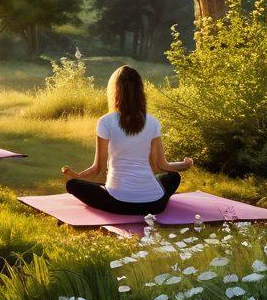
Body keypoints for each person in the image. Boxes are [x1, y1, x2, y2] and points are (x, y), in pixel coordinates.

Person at [61, 64, 193, 215]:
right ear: (140, 92)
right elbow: (161, 166)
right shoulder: (153, 122)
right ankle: (114, 187)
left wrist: (77, 178)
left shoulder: (105, 121)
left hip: (119, 204)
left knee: (72, 185)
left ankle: (104, 187)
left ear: (115, 91)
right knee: (173, 177)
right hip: (155, 205)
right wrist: (184, 164)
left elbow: (99, 169)